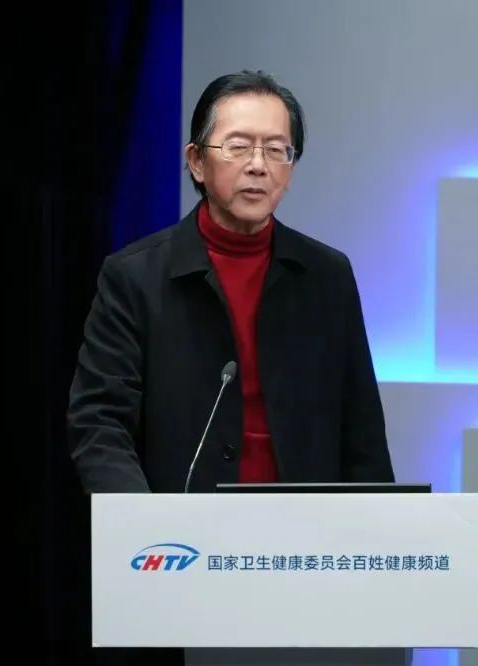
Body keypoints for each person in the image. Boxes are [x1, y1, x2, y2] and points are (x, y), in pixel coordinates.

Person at [68, 69, 394, 499]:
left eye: (276, 150)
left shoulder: (327, 276)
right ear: (196, 161)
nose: (258, 166)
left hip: (306, 529)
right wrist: (143, 522)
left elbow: (362, 435)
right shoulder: (134, 276)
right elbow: (100, 422)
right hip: (181, 531)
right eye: (238, 147)